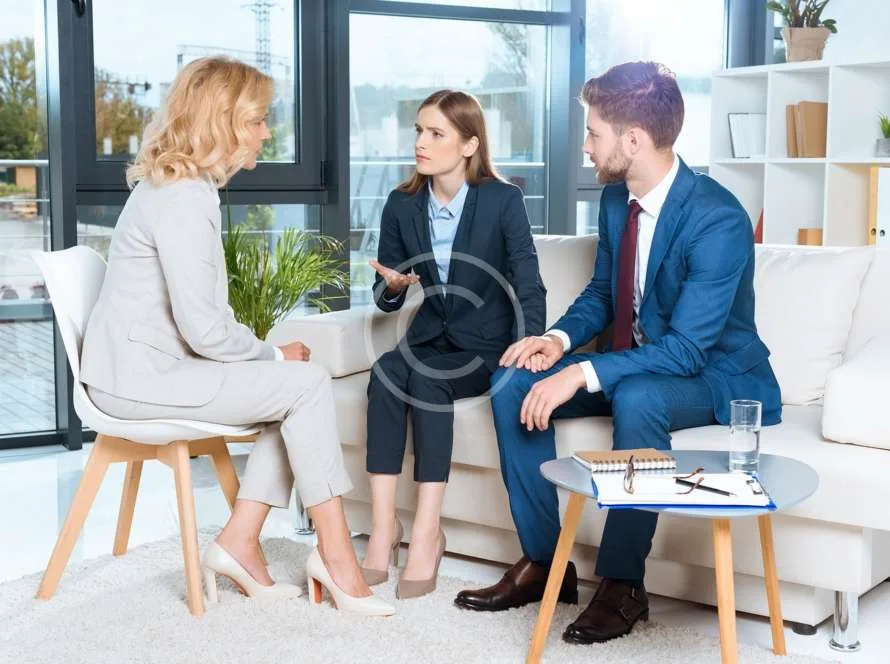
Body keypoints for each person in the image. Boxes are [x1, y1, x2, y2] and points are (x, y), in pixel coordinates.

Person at [454, 61, 782, 644]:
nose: (585, 146)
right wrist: (555, 341)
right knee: (513, 380)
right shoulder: (615, 201)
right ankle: (545, 564)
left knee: (638, 396)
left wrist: (580, 373)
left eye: (593, 132)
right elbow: (604, 294)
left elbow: (687, 350)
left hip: (716, 374)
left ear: (633, 140)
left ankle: (623, 583)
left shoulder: (718, 218)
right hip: (634, 364)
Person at [80, 56, 393, 616]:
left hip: (137, 371)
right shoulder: (182, 197)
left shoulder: (175, 185)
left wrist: (269, 360)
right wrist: (273, 353)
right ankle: (337, 557)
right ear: (220, 122)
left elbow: (202, 318)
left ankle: (240, 542)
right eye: (256, 120)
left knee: (291, 393)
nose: (266, 133)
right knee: (305, 384)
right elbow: (203, 328)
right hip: (139, 381)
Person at [362, 89, 546, 599]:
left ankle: (427, 532)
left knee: (429, 380)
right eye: (419, 131)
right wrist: (393, 286)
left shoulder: (502, 200)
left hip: (485, 345)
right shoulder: (402, 204)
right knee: (385, 373)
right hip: (429, 335)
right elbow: (384, 295)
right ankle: (384, 528)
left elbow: (528, 281)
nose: (421, 142)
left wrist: (531, 342)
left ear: (469, 144)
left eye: (435, 133)